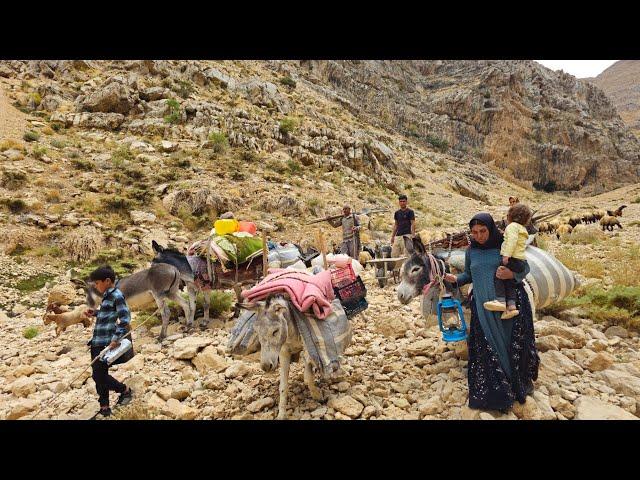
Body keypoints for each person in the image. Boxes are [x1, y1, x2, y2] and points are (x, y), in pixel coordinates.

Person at [443, 213, 539, 412]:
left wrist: (512, 273)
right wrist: (456, 279)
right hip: (484, 308)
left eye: (483, 231)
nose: (479, 236)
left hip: (509, 308)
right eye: (475, 232)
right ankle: (498, 393)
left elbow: (525, 267)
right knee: (490, 348)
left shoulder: (504, 246)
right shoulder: (472, 251)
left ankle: (516, 385)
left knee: (510, 346)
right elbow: (469, 274)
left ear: (491, 229)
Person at [84, 266, 133, 418]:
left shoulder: (117, 295)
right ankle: (104, 406)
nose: (96, 286)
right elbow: (108, 314)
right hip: (96, 341)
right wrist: (95, 313)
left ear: (107, 281)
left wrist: (116, 338)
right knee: (99, 374)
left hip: (106, 342)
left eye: (97, 283)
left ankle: (124, 390)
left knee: (98, 376)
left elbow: (125, 319)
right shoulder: (107, 295)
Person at [484, 203, 532, 320]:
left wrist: (506, 256)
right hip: (519, 260)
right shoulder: (522, 229)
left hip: (513, 259)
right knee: (509, 282)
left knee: (499, 274)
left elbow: (512, 241)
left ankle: (500, 301)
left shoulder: (511, 228)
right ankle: (511, 306)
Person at [390, 194, 415, 272]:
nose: (402, 203)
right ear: (399, 202)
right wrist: (392, 236)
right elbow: (396, 224)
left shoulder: (410, 212)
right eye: (401, 201)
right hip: (398, 235)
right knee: (394, 253)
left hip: (407, 234)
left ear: (406, 202)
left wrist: (412, 235)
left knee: (406, 254)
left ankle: (406, 271)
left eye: (404, 201)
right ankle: (395, 271)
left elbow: (413, 223)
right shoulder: (397, 213)